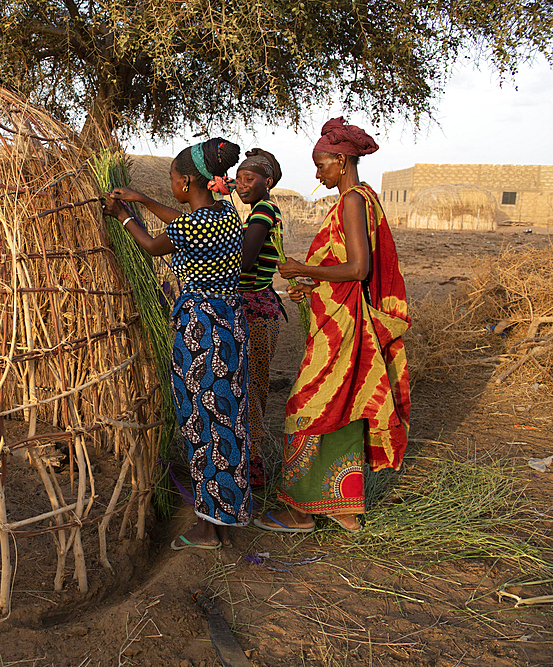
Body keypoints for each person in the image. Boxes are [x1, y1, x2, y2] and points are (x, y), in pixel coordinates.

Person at [254, 118, 410, 534]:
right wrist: (311, 282)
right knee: (343, 406)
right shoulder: (363, 199)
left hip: (343, 328)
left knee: (304, 409)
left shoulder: (352, 202)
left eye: (321, 164)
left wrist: (303, 267)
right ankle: (344, 508)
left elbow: (359, 268)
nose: (318, 173)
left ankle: (302, 512)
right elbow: (343, 269)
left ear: (341, 162)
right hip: (338, 319)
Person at [102, 138, 251, 549]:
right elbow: (182, 222)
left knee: (201, 421)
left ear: (186, 182)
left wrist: (124, 215)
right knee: (226, 420)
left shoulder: (194, 224)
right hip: (229, 324)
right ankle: (223, 515)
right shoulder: (223, 216)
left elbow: (152, 246)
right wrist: (144, 198)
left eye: (171, 181)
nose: (171, 187)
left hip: (202, 331)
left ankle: (208, 530)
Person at [234, 148, 285, 487]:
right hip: (260, 307)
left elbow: (245, 261)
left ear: (267, 182)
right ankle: (249, 464)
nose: (241, 185)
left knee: (250, 388)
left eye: (249, 179)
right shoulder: (262, 212)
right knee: (251, 387)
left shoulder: (263, 211)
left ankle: (252, 470)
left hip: (254, 311)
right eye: (238, 179)